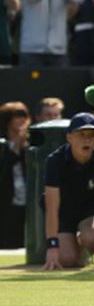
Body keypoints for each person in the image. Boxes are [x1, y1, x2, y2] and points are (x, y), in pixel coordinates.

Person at [42, 113, 94, 270]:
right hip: (62, 212)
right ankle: (77, 249)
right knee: (67, 259)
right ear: (69, 137)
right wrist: (52, 247)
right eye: (81, 135)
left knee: (92, 238)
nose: (87, 140)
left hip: (90, 211)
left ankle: (90, 242)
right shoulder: (54, 161)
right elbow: (52, 208)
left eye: (92, 135)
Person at [0, 102, 31, 248]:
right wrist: (16, 145)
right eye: (17, 116)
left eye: (24, 116)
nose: (22, 120)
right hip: (6, 204)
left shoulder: (30, 147)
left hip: (26, 202)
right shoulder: (3, 146)